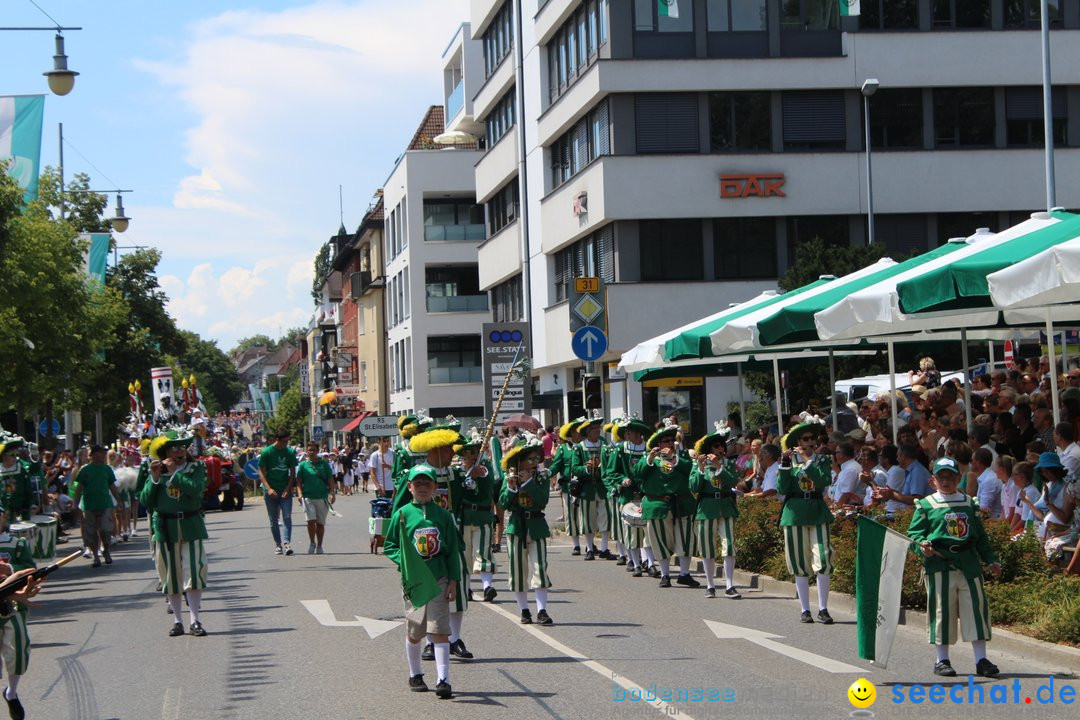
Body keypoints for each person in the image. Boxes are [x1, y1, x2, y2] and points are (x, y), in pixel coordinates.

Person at [907, 456, 1001, 678]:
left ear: (958, 478)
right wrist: (923, 547)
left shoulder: (969, 503)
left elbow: (980, 538)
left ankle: (981, 660)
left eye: (950, 477)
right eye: (941, 478)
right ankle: (942, 660)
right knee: (942, 612)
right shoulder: (926, 505)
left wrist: (991, 559)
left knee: (976, 611)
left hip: (968, 564)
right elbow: (914, 535)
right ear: (933, 480)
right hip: (940, 564)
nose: (946, 482)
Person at [383, 466, 459, 699]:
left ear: (435, 487)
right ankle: (415, 673)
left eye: (427, 483)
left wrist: (454, 581)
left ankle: (443, 679)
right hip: (415, 580)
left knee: (439, 629)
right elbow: (390, 546)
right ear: (409, 487)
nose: (423, 488)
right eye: (418, 484)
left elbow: (453, 551)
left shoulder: (443, 515)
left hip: (438, 577)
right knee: (416, 629)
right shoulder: (403, 514)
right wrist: (405, 561)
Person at [141, 429, 210, 637]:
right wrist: (154, 479)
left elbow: (196, 489)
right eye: (174, 448)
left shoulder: (196, 467)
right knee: (170, 576)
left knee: (195, 572)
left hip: (191, 524)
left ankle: (195, 620)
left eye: (182, 447)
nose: (179, 452)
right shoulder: (155, 470)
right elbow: (145, 501)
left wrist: (174, 475)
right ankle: (178, 620)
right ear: (166, 452)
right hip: (165, 528)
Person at [776, 421, 835, 624]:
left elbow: (822, 481)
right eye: (805, 439)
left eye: (812, 439)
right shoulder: (788, 461)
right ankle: (805, 609)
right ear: (797, 442)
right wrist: (785, 465)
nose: (810, 442)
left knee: (824, 559)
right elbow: (782, 488)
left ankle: (824, 608)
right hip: (795, 513)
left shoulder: (822, 460)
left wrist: (808, 461)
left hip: (817, 511)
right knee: (799, 561)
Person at [635, 420, 698, 589]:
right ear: (658, 444)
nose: (670, 443)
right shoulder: (649, 459)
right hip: (658, 505)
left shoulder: (681, 456)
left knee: (686, 540)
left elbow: (688, 469)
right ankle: (665, 575)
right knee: (660, 541)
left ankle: (685, 574)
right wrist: (650, 458)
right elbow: (638, 474)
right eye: (666, 441)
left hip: (682, 503)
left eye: (672, 440)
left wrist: (673, 457)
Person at [499, 434, 554, 625]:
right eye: (529, 459)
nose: (533, 463)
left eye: (535, 459)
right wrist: (511, 487)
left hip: (537, 526)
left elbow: (542, 500)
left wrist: (529, 482)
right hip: (516, 527)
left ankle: (542, 610)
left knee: (540, 568)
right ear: (520, 461)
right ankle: (524, 610)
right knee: (518, 571)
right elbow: (503, 503)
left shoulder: (542, 477)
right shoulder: (510, 478)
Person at [0, 498, 46, 720]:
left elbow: (31, 570)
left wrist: (8, 568)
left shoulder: (16, 543)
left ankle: (11, 693)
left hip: (12, 606)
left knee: (18, 653)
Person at [689, 423, 741, 599]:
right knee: (707, 547)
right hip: (706, 508)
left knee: (729, 546)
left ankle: (729, 585)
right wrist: (701, 468)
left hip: (726, 507)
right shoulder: (698, 465)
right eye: (715, 446)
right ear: (708, 448)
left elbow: (733, 481)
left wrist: (719, 466)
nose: (719, 449)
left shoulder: (728, 463)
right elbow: (694, 487)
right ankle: (710, 585)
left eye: (721, 446)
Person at [452, 428, 498, 604]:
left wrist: (480, 474)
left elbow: (487, 487)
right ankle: (467, 588)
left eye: (477, 451)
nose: (473, 455)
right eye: (470, 452)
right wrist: (467, 477)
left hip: (482, 517)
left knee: (483, 552)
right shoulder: (457, 471)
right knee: (465, 554)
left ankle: (487, 587)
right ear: (463, 454)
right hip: (463, 517)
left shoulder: (486, 469)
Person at [602, 417, 650, 575]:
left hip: (645, 495)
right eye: (627, 432)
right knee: (631, 531)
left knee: (647, 531)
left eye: (631, 432)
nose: (628, 435)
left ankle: (649, 563)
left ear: (639, 433)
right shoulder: (621, 449)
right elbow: (610, 471)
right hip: (627, 495)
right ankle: (635, 563)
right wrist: (622, 480)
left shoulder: (648, 449)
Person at [71, 445, 122, 567]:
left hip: (105, 504)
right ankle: (95, 556)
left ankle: (106, 551)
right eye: (101, 453)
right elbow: (79, 488)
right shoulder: (85, 470)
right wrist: (75, 503)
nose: (103, 455)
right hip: (89, 505)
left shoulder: (107, 469)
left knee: (105, 530)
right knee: (92, 532)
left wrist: (119, 501)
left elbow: (112, 486)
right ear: (94, 454)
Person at [570, 417, 611, 561]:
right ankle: (589, 548)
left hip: (602, 487)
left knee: (605, 517)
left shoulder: (604, 444)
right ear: (588, 431)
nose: (597, 431)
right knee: (588, 519)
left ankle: (605, 548)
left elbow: (610, 464)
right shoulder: (579, 447)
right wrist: (586, 468)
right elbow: (574, 468)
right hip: (587, 488)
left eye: (598, 428)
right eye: (594, 429)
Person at [547, 418, 585, 555]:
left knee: (584, 516)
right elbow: (556, 465)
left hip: (585, 486)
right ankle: (576, 545)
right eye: (576, 431)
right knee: (571, 516)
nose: (579, 434)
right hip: (569, 487)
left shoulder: (586, 446)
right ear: (571, 433)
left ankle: (590, 544)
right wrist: (547, 473)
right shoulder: (563, 448)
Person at [259, 428, 298, 556]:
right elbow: (261, 472)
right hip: (271, 491)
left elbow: (292, 472)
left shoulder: (290, 452)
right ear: (277, 440)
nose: (286, 444)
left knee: (287, 517)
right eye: (284, 441)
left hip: (284, 489)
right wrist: (268, 488)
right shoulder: (267, 452)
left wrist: (289, 488)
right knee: (273, 520)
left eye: (288, 441)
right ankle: (278, 544)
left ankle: (286, 543)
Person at [296, 442, 335, 554]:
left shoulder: (324, 464)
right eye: (309, 450)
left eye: (313, 450)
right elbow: (299, 481)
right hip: (308, 497)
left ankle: (319, 545)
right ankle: (312, 542)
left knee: (320, 523)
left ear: (318, 451)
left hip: (322, 497)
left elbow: (330, 479)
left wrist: (332, 493)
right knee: (310, 521)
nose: (311, 452)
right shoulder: (303, 465)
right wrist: (299, 493)